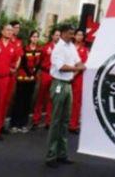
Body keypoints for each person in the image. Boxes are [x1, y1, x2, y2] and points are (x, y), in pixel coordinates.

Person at [45, 24, 84, 167]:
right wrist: (77, 68)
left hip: (68, 84)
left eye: (73, 33)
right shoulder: (58, 48)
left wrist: (79, 67)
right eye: (69, 33)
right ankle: (51, 155)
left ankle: (62, 153)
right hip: (59, 84)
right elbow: (61, 67)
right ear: (62, 33)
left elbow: (78, 60)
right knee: (56, 121)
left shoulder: (71, 46)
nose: (71, 36)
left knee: (65, 120)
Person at [11, 30, 43, 133]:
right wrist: (29, 72)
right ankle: (14, 124)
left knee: (27, 102)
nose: (35, 38)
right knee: (19, 101)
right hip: (23, 78)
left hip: (32, 80)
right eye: (33, 36)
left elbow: (39, 64)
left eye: (37, 37)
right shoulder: (24, 49)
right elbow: (22, 63)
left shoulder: (39, 50)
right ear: (30, 38)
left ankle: (23, 124)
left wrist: (34, 73)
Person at [34, 28, 60, 128]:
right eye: (56, 35)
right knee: (41, 97)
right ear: (52, 36)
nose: (57, 37)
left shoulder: (61, 49)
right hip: (45, 73)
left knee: (52, 98)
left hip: (55, 75)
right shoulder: (45, 47)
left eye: (59, 35)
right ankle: (36, 120)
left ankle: (48, 121)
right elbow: (39, 61)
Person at [70, 28, 89, 133]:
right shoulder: (69, 48)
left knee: (76, 102)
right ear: (74, 36)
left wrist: (74, 74)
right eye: (78, 35)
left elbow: (83, 64)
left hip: (78, 78)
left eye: (81, 35)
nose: (79, 37)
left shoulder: (84, 50)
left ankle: (74, 125)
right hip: (66, 75)